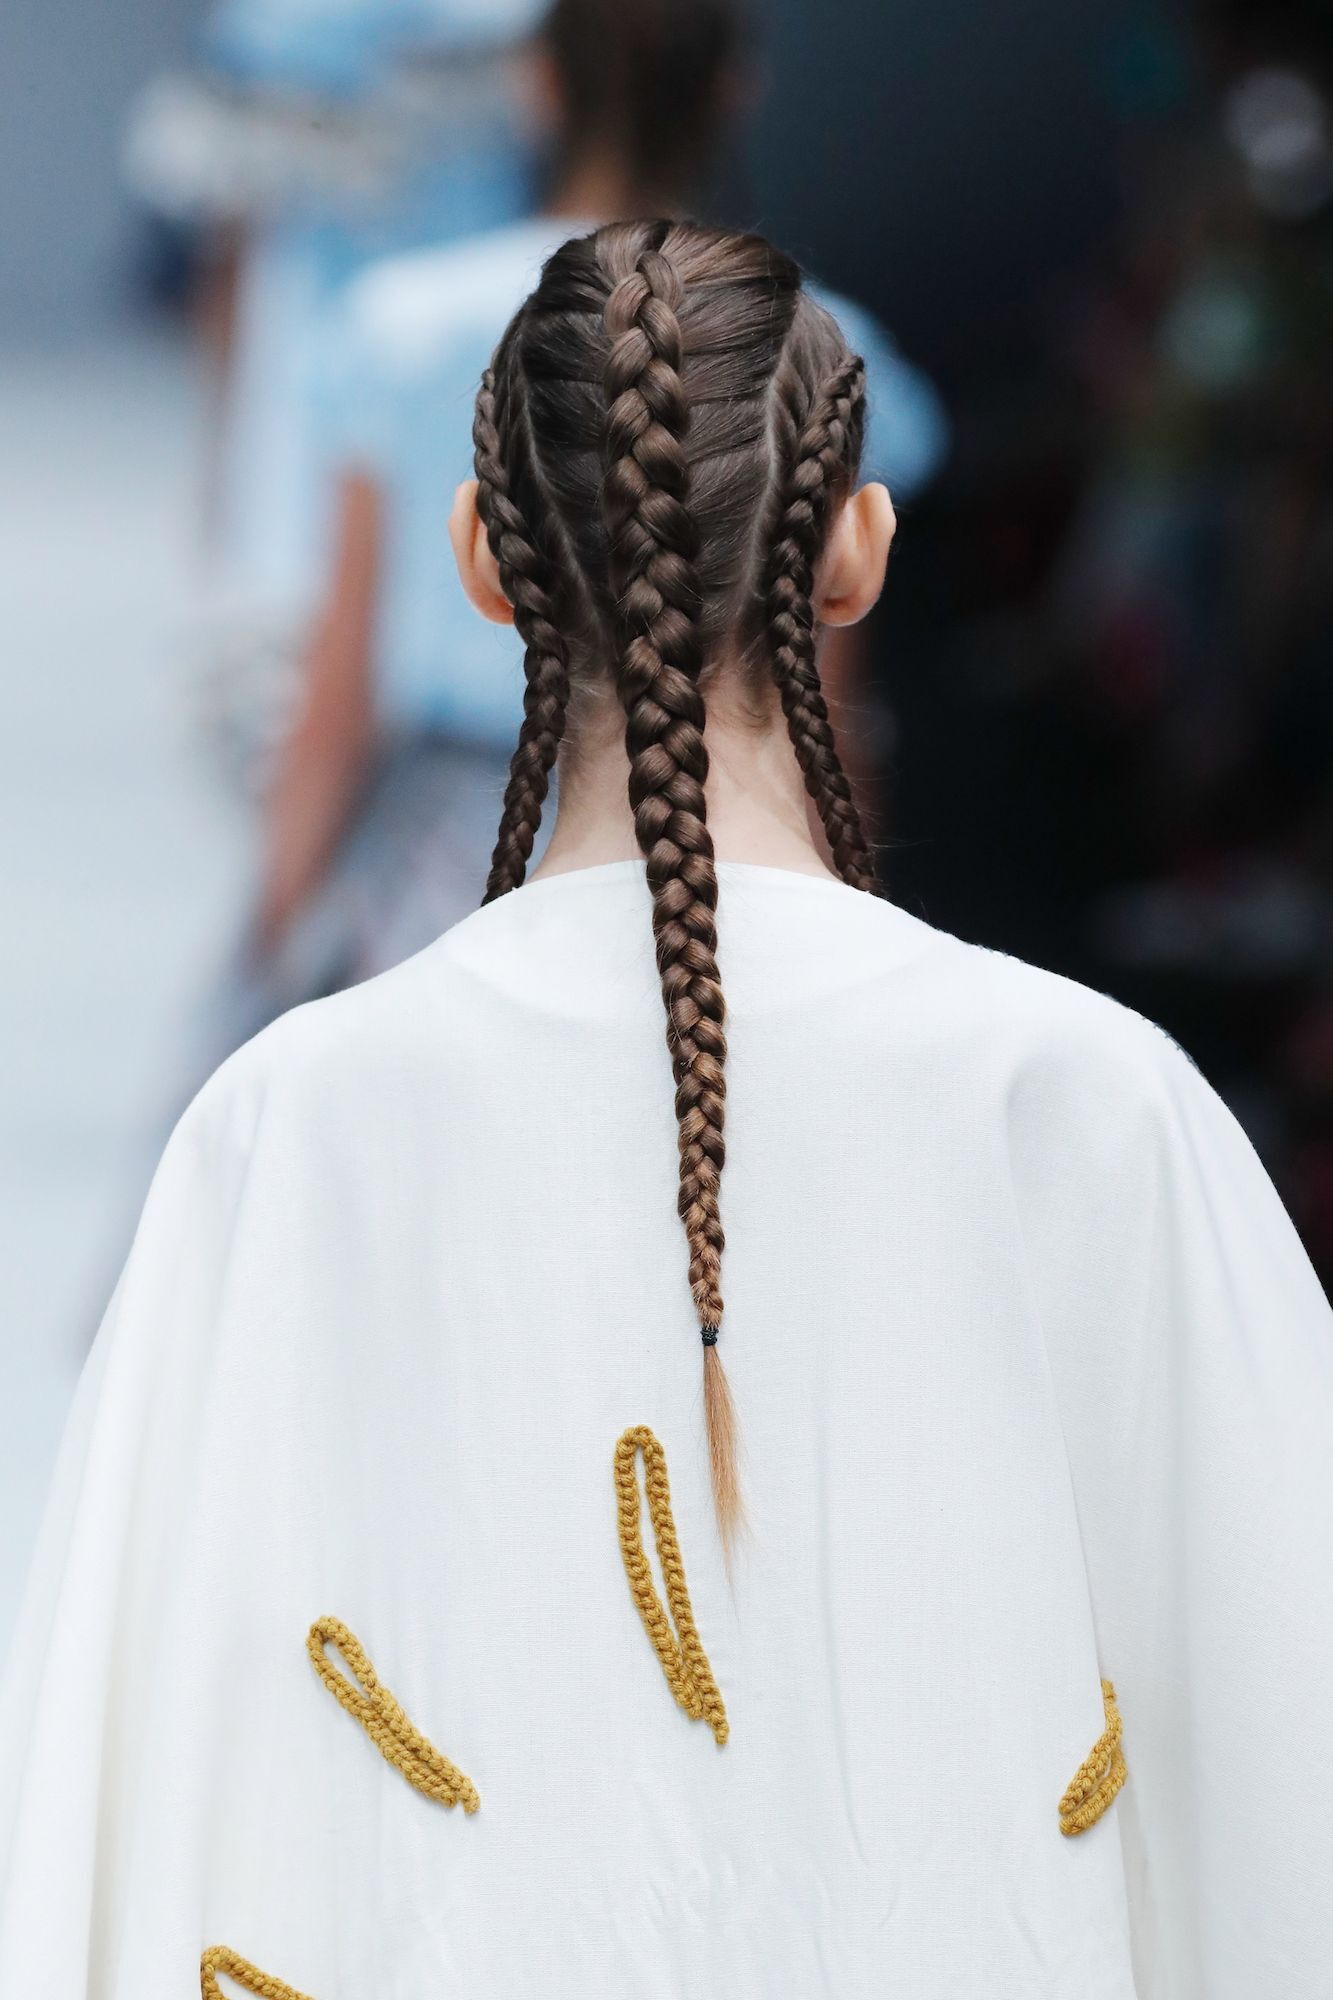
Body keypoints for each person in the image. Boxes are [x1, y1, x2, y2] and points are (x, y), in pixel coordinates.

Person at [4, 221, 1327, 1996]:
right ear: (855, 547)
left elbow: (129, 1810)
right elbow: (1272, 1756)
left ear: (483, 559)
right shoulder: (1083, 1104)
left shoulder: (293, 1127)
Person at [231, 0, 945, 1044]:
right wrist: (855, 951)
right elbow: (817, 709)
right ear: (733, 89)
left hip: (429, 871)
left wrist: (273, 942)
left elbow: (339, 689)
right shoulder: (816, 351)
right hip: (713, 864)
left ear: (537, 85)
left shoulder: (401, 330)